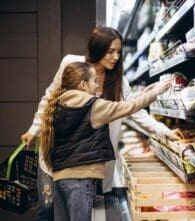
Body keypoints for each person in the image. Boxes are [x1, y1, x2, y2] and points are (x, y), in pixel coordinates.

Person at [21, 26, 184, 221]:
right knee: (46, 208)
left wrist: (164, 131)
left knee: (74, 210)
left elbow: (135, 111)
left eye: (118, 52)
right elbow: (50, 98)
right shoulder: (71, 64)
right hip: (55, 155)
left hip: (86, 161)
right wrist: (34, 129)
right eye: (110, 51)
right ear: (97, 49)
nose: (115, 57)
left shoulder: (118, 82)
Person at [40, 61, 171, 221]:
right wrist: (156, 92)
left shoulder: (57, 105)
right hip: (80, 182)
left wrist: (144, 93)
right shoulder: (93, 107)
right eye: (94, 81)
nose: (97, 85)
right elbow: (130, 107)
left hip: (59, 180)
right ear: (83, 84)